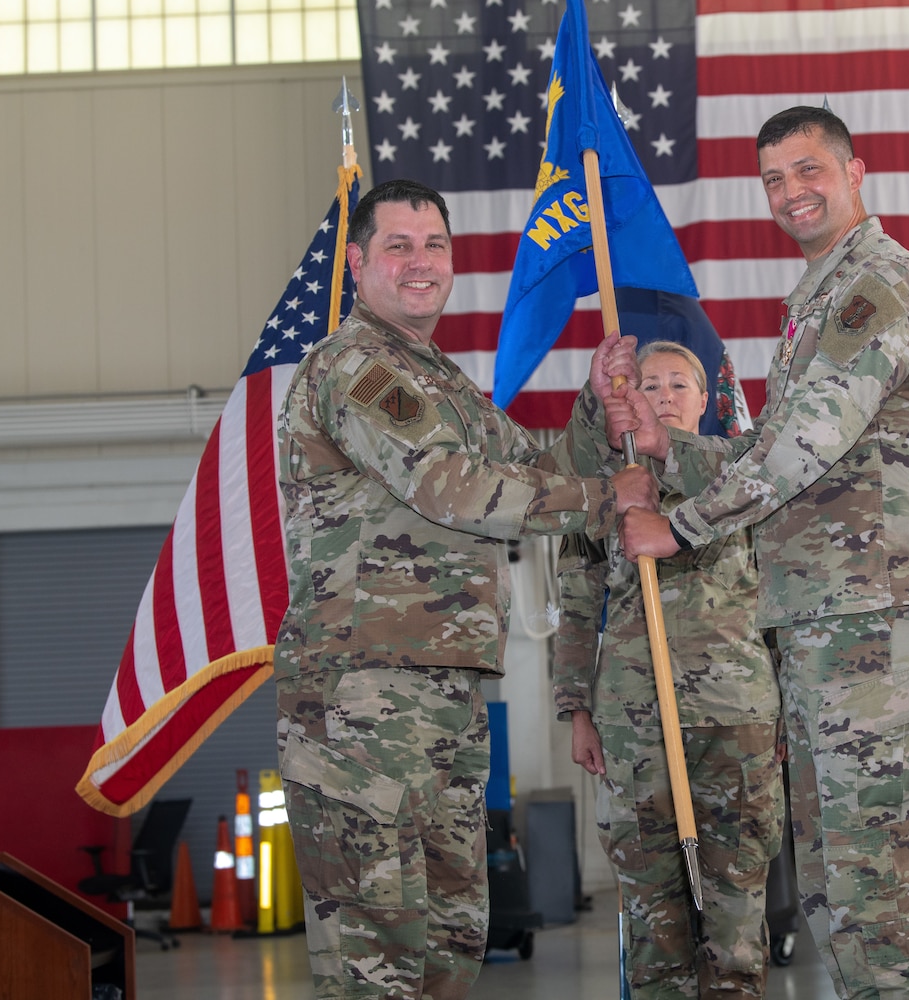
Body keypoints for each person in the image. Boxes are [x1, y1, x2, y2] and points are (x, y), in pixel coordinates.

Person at [603, 106, 909, 1000]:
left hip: (874, 611)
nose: (791, 192)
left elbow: (809, 439)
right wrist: (669, 449)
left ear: (854, 172)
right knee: (833, 880)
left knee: (871, 873)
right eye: (773, 178)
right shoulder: (817, 302)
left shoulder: (876, 282)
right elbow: (768, 448)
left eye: (809, 170)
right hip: (822, 614)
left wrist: (681, 526)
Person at [273, 178, 655, 1000]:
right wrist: (602, 500)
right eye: (398, 247)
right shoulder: (357, 368)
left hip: (441, 693)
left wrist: (595, 406)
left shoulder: (437, 378)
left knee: (449, 944)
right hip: (361, 697)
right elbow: (453, 488)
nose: (420, 264)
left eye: (434, 246)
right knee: (380, 955)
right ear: (358, 262)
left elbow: (532, 469)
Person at [553, 340, 783, 999]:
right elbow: (575, 601)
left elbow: (779, 600)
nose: (664, 395)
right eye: (649, 384)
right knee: (653, 912)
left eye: (679, 384)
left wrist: (786, 716)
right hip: (633, 715)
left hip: (735, 713)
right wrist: (577, 709)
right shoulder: (604, 486)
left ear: (706, 399)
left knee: (735, 902)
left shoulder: (743, 478)